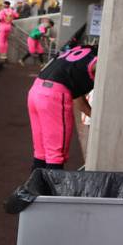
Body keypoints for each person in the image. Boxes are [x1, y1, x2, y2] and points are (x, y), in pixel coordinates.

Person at [26, 42, 97, 170]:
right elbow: (96, 66)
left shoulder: (74, 52)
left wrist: (94, 116)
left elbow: (77, 98)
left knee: (41, 151)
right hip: (54, 95)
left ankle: (35, 187)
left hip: (35, 90)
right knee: (55, 153)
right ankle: (52, 189)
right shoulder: (95, 58)